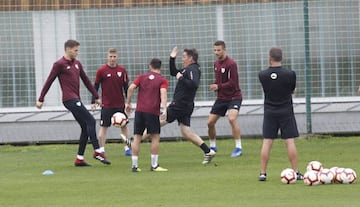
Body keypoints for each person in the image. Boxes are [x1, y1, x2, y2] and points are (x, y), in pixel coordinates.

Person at [36, 39, 110, 167]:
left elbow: (86, 80)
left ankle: (79, 159)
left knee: (85, 127)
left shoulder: (77, 64)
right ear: (68, 49)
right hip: (69, 99)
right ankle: (97, 151)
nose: (77, 53)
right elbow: (49, 81)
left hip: (76, 99)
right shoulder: (59, 64)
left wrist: (96, 96)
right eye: (75, 50)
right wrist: (41, 99)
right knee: (91, 121)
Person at [151, 47, 216, 164]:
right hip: (185, 105)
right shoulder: (187, 70)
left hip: (180, 105)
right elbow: (173, 72)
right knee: (186, 132)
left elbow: (194, 84)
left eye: (184, 57)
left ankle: (134, 141)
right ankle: (208, 151)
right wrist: (172, 58)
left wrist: (181, 78)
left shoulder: (193, 69)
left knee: (155, 123)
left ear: (191, 58)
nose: (182, 59)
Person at [258, 47, 303, 181]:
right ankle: (295, 171)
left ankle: (262, 173)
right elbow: (292, 90)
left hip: (270, 111)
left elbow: (266, 89)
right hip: (286, 111)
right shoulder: (290, 74)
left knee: (267, 142)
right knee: (289, 142)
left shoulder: (262, 75)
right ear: (282, 58)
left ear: (270, 58)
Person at [125, 58, 169, 172]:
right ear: (161, 67)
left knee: (137, 137)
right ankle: (154, 165)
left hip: (140, 111)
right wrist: (164, 109)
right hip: (152, 112)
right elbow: (163, 93)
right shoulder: (162, 80)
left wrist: (128, 103)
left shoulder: (142, 77)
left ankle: (134, 166)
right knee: (155, 137)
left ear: (150, 66)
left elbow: (131, 88)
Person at [91, 48, 132, 157]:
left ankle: (127, 148)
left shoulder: (122, 70)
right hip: (107, 105)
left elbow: (126, 87)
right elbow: (96, 86)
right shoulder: (101, 70)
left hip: (120, 104)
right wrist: (94, 100)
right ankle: (102, 149)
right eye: (110, 56)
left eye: (114, 56)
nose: (112, 59)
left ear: (117, 57)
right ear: (107, 57)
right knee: (104, 127)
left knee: (124, 126)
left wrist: (128, 102)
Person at [207, 40, 243, 157]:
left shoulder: (231, 64)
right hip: (221, 98)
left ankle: (238, 147)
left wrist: (219, 86)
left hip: (234, 97)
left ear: (224, 50)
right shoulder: (216, 64)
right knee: (210, 122)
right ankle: (212, 146)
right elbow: (220, 81)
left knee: (232, 119)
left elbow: (233, 83)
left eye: (218, 50)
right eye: (215, 50)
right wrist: (215, 86)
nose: (216, 52)